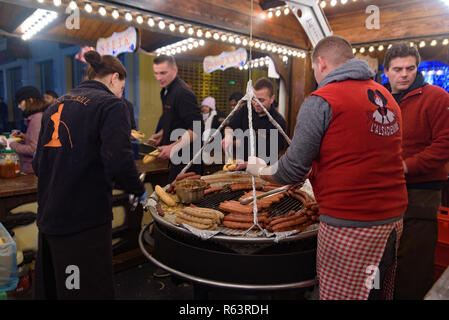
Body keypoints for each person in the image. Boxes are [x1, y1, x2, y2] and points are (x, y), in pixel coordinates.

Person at [245, 35, 407, 300]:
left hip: (351, 227)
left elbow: (290, 171)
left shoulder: (323, 99)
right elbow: (363, 155)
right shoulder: (386, 96)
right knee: (374, 292)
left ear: (320, 63)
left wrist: (258, 170)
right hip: (392, 222)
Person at [32, 50, 146, 299]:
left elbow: (38, 165)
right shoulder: (112, 105)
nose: (121, 93)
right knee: (88, 291)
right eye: (122, 87)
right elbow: (118, 159)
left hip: (51, 217)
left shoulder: (54, 105)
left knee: (60, 290)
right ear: (114, 78)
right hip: (85, 221)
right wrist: (139, 191)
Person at [383, 43, 449, 300]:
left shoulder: (437, 98)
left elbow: (445, 145)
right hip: (385, 192)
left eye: (410, 68)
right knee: (386, 260)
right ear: (386, 71)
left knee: (414, 264)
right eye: (397, 69)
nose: (404, 74)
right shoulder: (379, 99)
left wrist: (407, 165)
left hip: (421, 193)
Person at [149, 55, 203, 183]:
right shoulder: (165, 91)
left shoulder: (182, 93)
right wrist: (161, 134)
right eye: (156, 73)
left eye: (163, 73)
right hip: (175, 156)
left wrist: (172, 147)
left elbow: (197, 128)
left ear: (175, 70)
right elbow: (175, 119)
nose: (159, 77)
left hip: (188, 158)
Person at [221, 78, 286, 167]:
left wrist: (246, 164)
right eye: (253, 99)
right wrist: (228, 135)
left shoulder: (278, 122)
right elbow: (231, 126)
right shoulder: (246, 109)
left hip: (264, 172)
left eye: (261, 100)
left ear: (272, 99)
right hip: (241, 167)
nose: (255, 104)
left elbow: (270, 156)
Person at [0, 86, 46, 174]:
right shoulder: (37, 117)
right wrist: (24, 136)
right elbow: (39, 140)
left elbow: (33, 150)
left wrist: (10, 143)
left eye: (20, 102)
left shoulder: (36, 120)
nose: (19, 106)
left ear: (30, 100)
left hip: (33, 171)